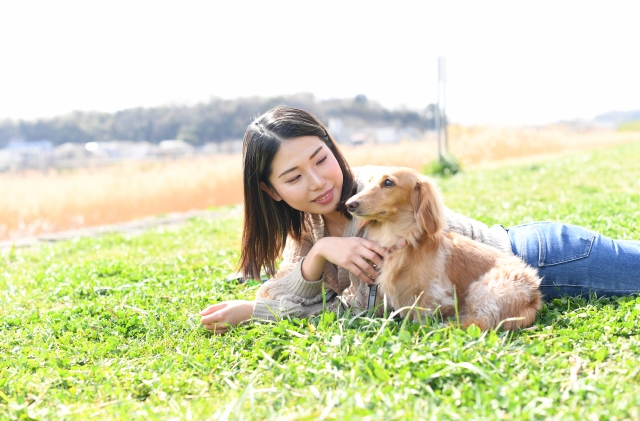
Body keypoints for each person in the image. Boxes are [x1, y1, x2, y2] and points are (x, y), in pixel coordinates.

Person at [200, 106, 640, 334]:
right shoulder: (310, 232)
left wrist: (272, 306)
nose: (317, 182)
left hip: (538, 258)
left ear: (333, 149)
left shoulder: (377, 193)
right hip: (487, 289)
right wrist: (314, 257)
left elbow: (368, 306)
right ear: (272, 191)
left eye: (321, 158)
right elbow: (299, 293)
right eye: (294, 176)